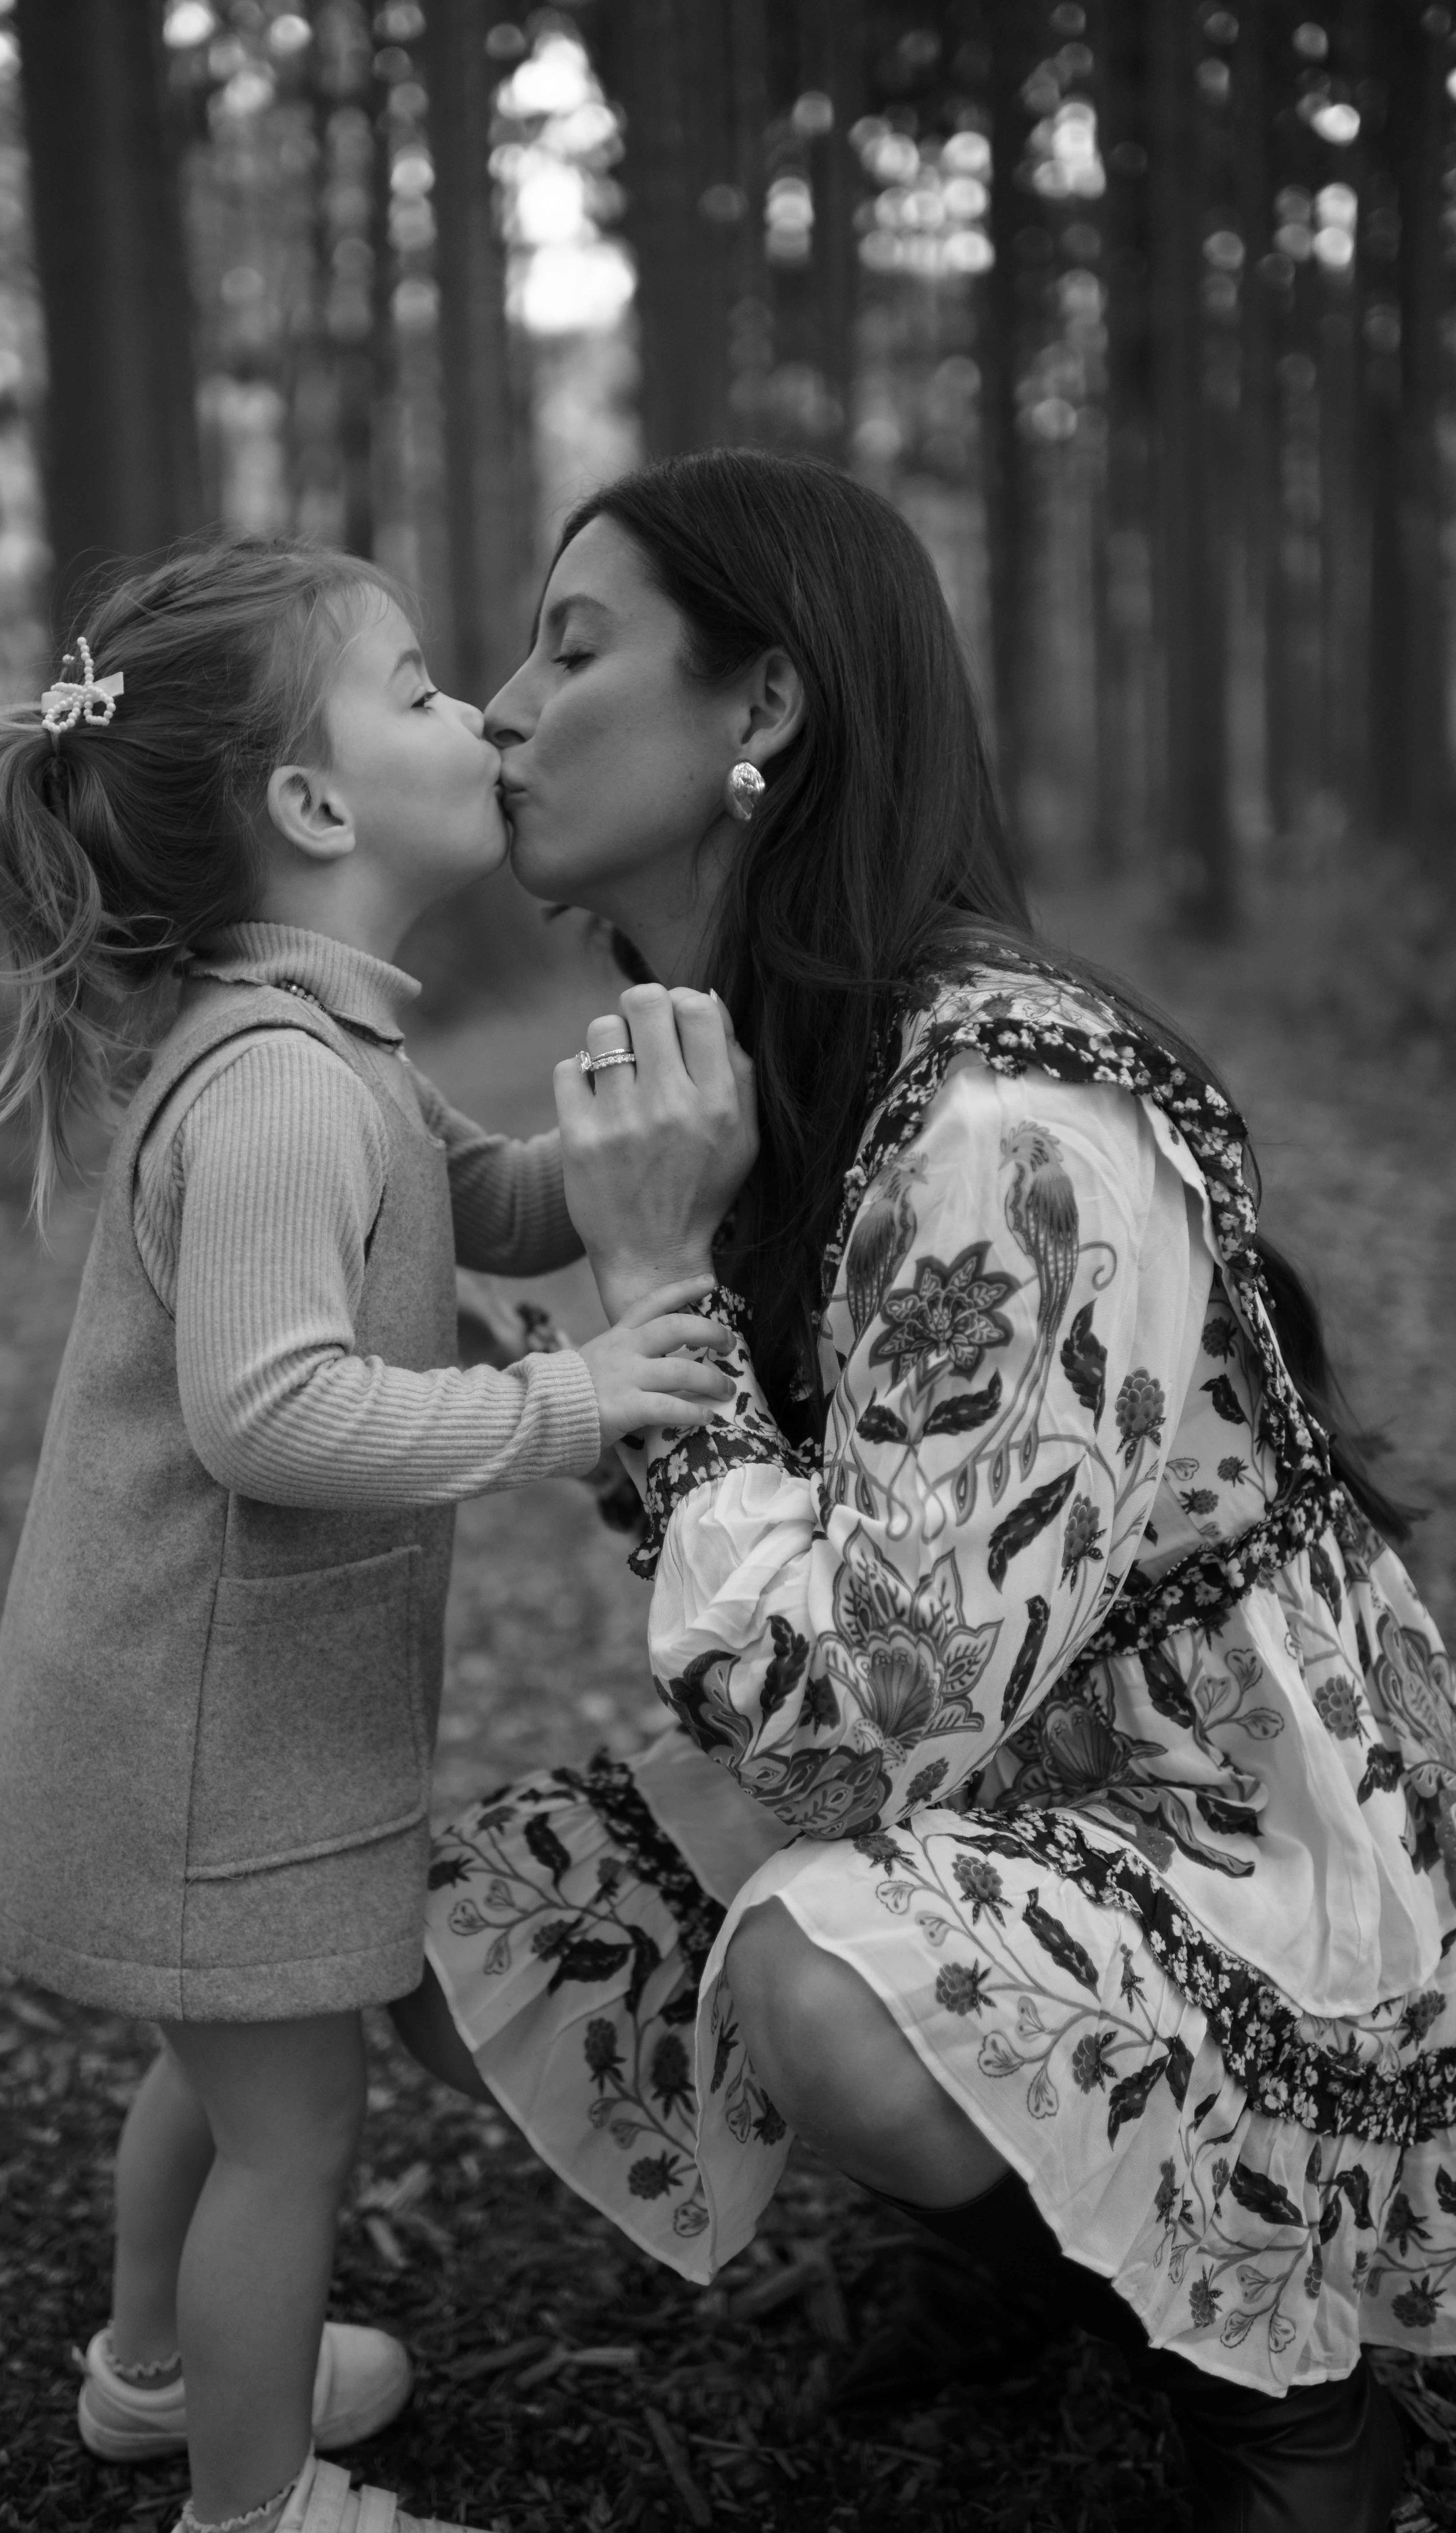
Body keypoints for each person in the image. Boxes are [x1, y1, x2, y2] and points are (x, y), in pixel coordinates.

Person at [396, 449, 1453, 2531]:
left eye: (574, 646)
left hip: (1241, 1844)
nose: (505, 703)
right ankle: (1063, 2251)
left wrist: (655, 1295)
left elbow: (853, 1733)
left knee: (818, 1984)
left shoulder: (1002, 1117)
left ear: (761, 714)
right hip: (1022, 1786)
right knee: (436, 1944)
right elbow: (814, 1566)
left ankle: (1280, 2386)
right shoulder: (788, 1061)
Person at [0, 536, 744, 2533]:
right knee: (290, 2127)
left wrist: (682, 1119)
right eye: (415, 688)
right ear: (310, 805)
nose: (477, 712)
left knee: (220, 2077)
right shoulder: (283, 1090)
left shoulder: (328, 1047)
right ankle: (255, 2496)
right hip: (207, 1739)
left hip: (205, 1717)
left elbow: (511, 1210)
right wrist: (572, 1402)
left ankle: (159, 2376)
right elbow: (268, 1412)